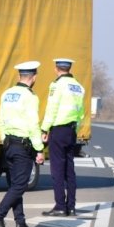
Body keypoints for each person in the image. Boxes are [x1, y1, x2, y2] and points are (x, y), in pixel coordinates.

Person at [0, 61, 46, 227]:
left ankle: (20, 223)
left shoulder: (7, 94)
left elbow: (0, 121)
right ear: (34, 77)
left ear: (20, 75)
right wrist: (39, 149)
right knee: (20, 186)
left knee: (15, 185)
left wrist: (5, 139)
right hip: (23, 145)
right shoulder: (30, 97)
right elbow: (33, 125)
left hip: (9, 144)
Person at [40, 57, 87, 216]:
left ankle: (60, 206)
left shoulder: (57, 85)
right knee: (69, 169)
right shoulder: (79, 87)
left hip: (58, 130)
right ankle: (71, 206)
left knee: (57, 169)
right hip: (71, 130)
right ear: (69, 68)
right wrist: (76, 129)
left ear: (56, 69)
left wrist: (44, 129)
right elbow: (81, 113)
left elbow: (52, 108)